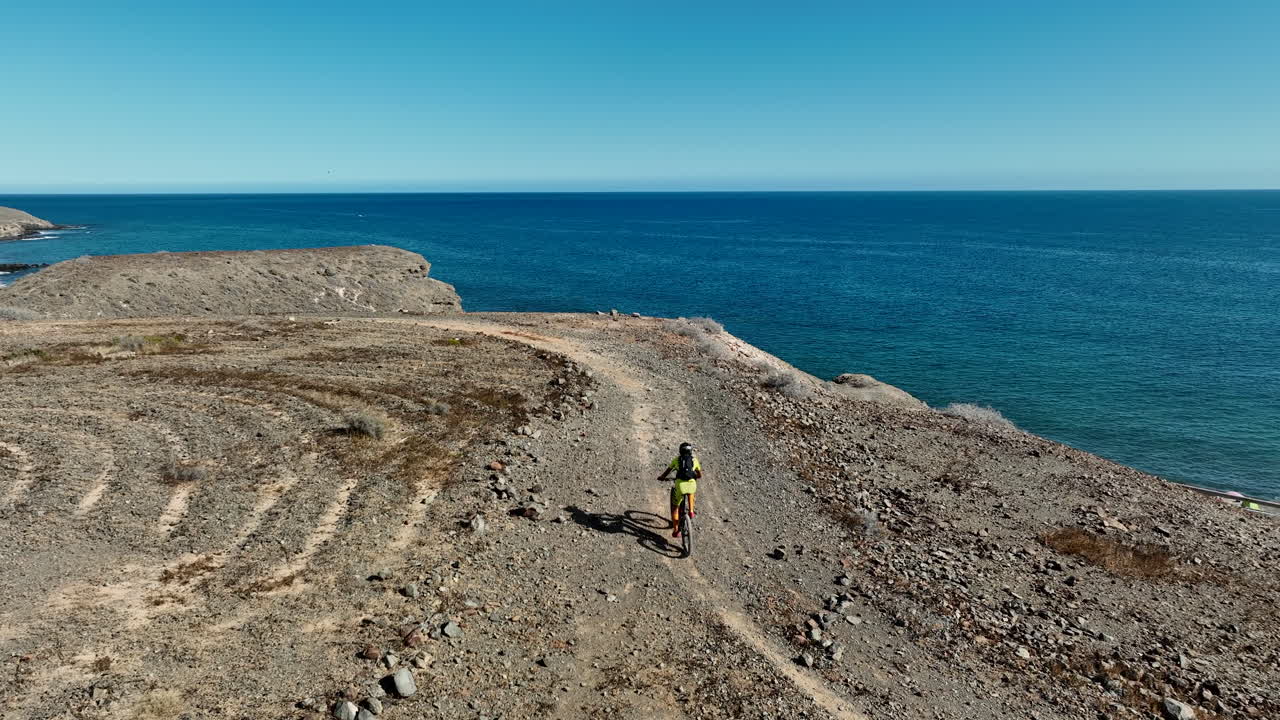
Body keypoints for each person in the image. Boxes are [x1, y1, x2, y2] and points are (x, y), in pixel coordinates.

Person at [657, 442, 702, 538]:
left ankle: (676, 530)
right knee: (691, 491)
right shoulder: (695, 460)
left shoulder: (676, 460)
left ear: (680, 451)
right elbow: (699, 474)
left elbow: (667, 472)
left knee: (675, 507)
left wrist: (662, 477)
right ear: (690, 451)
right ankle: (691, 511)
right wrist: (696, 476)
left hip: (680, 485)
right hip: (691, 484)